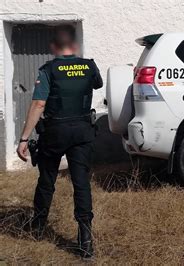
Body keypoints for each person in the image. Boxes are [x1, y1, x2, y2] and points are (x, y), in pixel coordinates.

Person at [16, 25, 103, 259]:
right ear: (74, 46)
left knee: (46, 181)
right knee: (81, 183)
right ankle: (86, 242)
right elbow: (97, 84)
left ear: (54, 47)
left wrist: (24, 138)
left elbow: (39, 104)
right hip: (83, 132)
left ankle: (38, 228)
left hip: (55, 133)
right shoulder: (89, 66)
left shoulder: (48, 70)